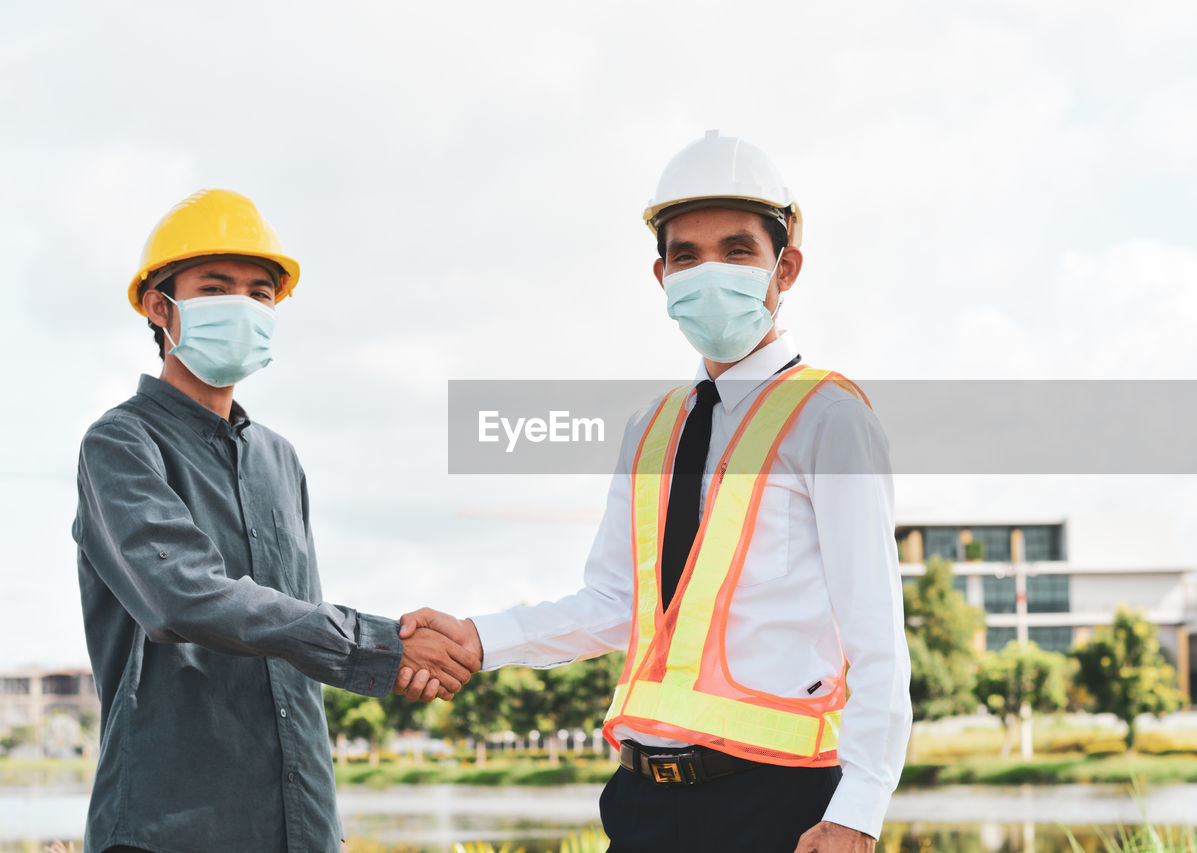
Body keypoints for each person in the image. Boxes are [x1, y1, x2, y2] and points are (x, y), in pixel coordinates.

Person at [398, 132, 912, 852]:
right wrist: (480, 639)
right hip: (643, 804)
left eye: (737, 251)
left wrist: (858, 810)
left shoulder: (831, 418)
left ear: (785, 266)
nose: (709, 272)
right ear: (660, 274)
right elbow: (615, 603)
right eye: (686, 255)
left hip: (780, 804)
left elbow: (877, 632)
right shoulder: (651, 427)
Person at [73, 189, 479, 853]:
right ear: (158, 304)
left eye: (260, 292)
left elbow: (296, 634)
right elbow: (184, 597)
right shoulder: (120, 445)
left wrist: (401, 658)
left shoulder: (279, 459)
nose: (242, 304)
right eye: (215, 286)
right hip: (169, 826)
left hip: (300, 824)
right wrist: (381, 645)